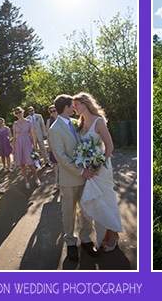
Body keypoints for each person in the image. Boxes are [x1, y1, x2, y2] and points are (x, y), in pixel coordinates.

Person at [48, 94, 99, 261]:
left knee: (86, 209)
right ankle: (71, 242)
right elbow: (61, 158)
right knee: (68, 212)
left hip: (85, 178)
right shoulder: (55, 129)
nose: (74, 108)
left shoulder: (76, 124)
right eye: (72, 105)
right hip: (69, 179)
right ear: (66, 107)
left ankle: (86, 238)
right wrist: (80, 171)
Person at [73, 92, 122, 252]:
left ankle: (113, 233)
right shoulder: (79, 123)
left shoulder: (98, 121)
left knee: (106, 199)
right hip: (89, 169)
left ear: (85, 104)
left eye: (76, 104)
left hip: (102, 168)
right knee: (97, 201)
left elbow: (109, 147)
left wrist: (98, 165)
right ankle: (103, 236)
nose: (74, 107)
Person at [12, 107, 42, 190]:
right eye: (17, 112)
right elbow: (14, 137)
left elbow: (31, 134)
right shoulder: (15, 124)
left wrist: (34, 145)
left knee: (31, 163)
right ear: (15, 114)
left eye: (20, 112)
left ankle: (36, 178)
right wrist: (14, 148)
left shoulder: (28, 122)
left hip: (27, 143)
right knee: (22, 164)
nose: (19, 114)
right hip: (19, 144)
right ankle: (26, 181)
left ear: (23, 112)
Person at [46, 105, 60, 189]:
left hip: (62, 144)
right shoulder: (49, 121)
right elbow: (48, 134)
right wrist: (49, 145)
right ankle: (57, 182)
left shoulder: (61, 119)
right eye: (51, 111)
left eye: (54, 110)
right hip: (53, 144)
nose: (53, 113)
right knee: (55, 165)